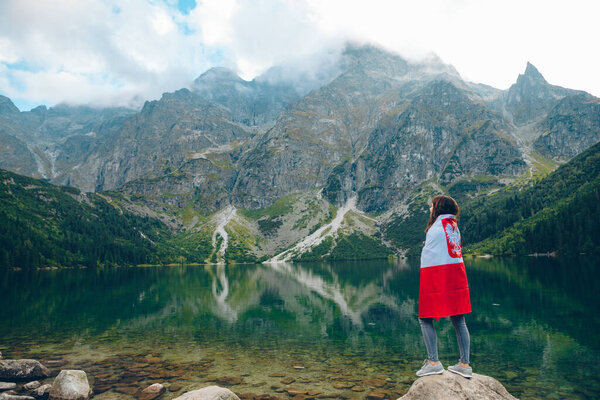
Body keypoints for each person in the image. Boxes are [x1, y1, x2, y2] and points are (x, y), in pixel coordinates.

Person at [415, 194, 472, 378]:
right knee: (459, 319)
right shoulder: (453, 226)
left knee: (425, 317)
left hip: (437, 275)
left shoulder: (436, 228)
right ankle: (464, 364)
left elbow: (430, 255)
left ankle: (434, 362)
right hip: (457, 275)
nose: (430, 209)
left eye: (432, 206)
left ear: (439, 207)